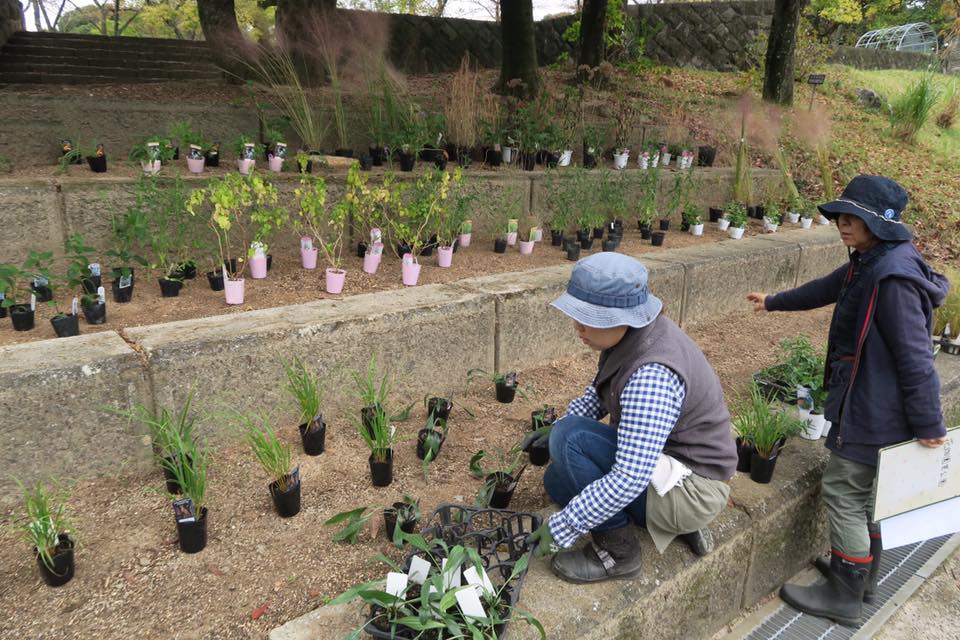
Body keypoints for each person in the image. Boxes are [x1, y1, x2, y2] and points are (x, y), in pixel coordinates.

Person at [746, 175, 948, 626]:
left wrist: (930, 425)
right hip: (869, 401)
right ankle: (861, 577)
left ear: (880, 224)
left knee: (843, 490)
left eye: (851, 216)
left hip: (874, 411)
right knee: (864, 499)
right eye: (839, 214)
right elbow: (826, 287)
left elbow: (916, 358)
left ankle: (845, 592)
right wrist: (774, 301)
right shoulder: (871, 260)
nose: (841, 222)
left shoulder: (891, 278)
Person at [527, 252, 737, 583]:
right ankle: (666, 525)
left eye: (590, 317)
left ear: (625, 316)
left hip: (692, 488)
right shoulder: (634, 335)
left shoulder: (651, 375)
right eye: (577, 314)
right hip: (672, 467)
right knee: (557, 479)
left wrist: (561, 528)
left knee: (571, 441)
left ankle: (620, 552)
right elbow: (598, 393)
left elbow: (629, 477)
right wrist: (551, 430)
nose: (578, 327)